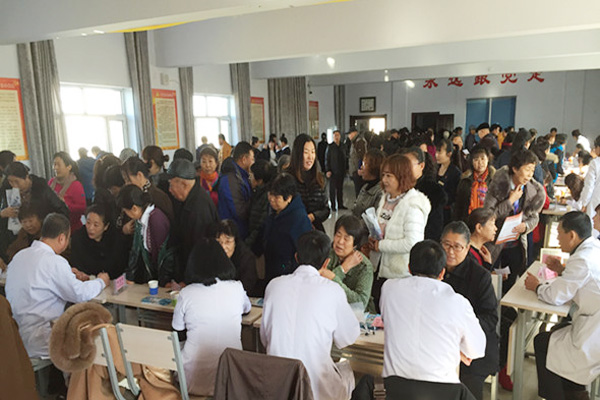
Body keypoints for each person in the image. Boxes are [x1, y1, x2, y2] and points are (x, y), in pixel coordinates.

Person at [261, 230, 360, 400]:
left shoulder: (274, 285)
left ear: (296, 257)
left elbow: (265, 339)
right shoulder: (332, 290)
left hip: (277, 388)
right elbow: (347, 338)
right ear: (326, 262)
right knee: (348, 374)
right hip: (316, 392)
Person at [380, 240, 486, 389]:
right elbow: (476, 350)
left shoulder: (389, 289)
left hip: (395, 390)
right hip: (442, 391)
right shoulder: (458, 302)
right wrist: (453, 348)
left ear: (409, 268)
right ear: (442, 272)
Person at [5, 213, 109, 357]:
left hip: (16, 339)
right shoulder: (54, 261)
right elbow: (79, 294)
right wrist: (101, 281)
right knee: (93, 343)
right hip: (42, 342)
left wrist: (69, 275)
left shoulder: (19, 256)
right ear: (61, 238)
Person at [524, 212, 600, 400]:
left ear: (572, 235)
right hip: (591, 322)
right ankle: (570, 391)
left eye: (559, 234)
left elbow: (555, 296)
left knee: (542, 342)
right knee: (556, 333)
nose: (557, 239)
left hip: (594, 332)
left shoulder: (581, 259)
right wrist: (562, 269)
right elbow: (583, 280)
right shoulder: (593, 247)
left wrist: (537, 286)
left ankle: (559, 395)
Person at [172, 238, 251, 397]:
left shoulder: (186, 293)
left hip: (191, 381)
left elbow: (177, 331)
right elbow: (247, 308)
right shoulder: (237, 287)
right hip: (230, 379)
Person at [441, 222, 499, 400]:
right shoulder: (434, 268)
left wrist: (460, 330)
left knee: (467, 387)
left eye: (457, 247)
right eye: (446, 245)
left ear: (467, 248)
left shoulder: (480, 276)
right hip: (442, 341)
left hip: (473, 346)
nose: (451, 251)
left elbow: (490, 318)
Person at [369, 154, 431, 308]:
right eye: (383, 175)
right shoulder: (385, 198)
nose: (384, 180)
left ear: (402, 177)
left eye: (389, 176)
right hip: (379, 268)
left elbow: (412, 243)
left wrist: (381, 246)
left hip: (398, 274)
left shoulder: (412, 205)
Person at [484, 150, 546, 292]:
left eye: (532, 170)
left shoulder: (533, 190)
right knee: (491, 281)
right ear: (515, 169)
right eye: (527, 169)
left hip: (516, 243)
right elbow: (488, 215)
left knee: (511, 282)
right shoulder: (498, 185)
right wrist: (510, 201)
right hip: (495, 242)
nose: (530, 175)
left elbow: (534, 217)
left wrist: (526, 226)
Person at [1, 162, 69, 266]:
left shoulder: (41, 188)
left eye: (17, 182)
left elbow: (62, 210)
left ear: (26, 177)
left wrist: (46, 223)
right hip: (17, 235)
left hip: (41, 233)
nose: (14, 185)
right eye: (10, 181)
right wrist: (3, 213)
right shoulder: (7, 188)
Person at [168, 159, 218, 282]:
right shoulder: (189, 200)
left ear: (184, 184)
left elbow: (200, 250)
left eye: (171, 185)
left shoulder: (199, 208)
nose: (169, 190)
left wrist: (190, 280)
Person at [117, 184, 173, 286]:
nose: (126, 215)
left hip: (164, 280)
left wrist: (163, 282)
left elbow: (164, 256)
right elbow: (135, 251)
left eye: (125, 211)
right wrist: (130, 277)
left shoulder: (156, 219)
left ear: (134, 208)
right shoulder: (139, 220)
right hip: (153, 278)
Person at [262, 173, 312, 284]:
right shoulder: (274, 210)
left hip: (287, 275)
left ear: (289, 198)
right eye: (270, 194)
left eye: (277, 197)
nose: (271, 199)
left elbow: (304, 254)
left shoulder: (299, 219)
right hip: (272, 267)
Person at [320, 215, 374, 311]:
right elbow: (321, 288)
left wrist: (334, 277)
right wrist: (343, 268)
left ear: (355, 244)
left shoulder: (364, 266)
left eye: (346, 238)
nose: (340, 241)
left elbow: (360, 303)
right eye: (338, 235)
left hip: (356, 315)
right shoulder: (327, 255)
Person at [69, 204, 128, 279]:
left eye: (96, 225)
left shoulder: (116, 239)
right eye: (88, 223)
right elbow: (76, 265)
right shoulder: (78, 237)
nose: (90, 228)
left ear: (106, 226)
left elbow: (119, 268)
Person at [400, 147, 446, 241]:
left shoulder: (432, 191)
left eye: (409, 165)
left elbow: (434, 228)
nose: (405, 169)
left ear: (421, 166)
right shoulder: (400, 187)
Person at [287, 134, 330, 232]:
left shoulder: (320, 178)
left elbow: (326, 209)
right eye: (306, 152)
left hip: (314, 230)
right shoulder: (287, 178)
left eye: (313, 152)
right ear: (297, 154)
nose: (310, 157)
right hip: (292, 230)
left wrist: (313, 216)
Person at [207, 220, 258, 294]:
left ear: (235, 242)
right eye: (218, 242)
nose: (223, 247)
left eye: (228, 242)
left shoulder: (246, 258)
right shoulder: (209, 255)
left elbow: (247, 287)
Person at [216, 141, 254, 239]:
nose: (253, 162)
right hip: (233, 233)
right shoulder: (230, 179)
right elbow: (239, 211)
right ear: (244, 159)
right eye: (252, 159)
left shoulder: (241, 175)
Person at [121, 156, 174, 222]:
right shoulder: (133, 196)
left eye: (127, 180)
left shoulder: (159, 198)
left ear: (139, 175)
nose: (126, 184)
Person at [454, 146, 496, 222]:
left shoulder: (495, 180)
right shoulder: (465, 180)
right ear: (471, 162)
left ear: (488, 159)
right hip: (468, 221)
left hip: (488, 221)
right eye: (476, 159)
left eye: (482, 159)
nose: (480, 163)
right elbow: (459, 206)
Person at [49, 151, 87, 232]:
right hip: (54, 228)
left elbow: (82, 208)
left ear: (69, 167)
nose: (55, 168)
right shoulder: (51, 182)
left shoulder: (76, 185)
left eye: (58, 165)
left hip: (73, 229)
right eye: (54, 164)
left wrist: (65, 204)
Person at [245, 159, 276, 255]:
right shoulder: (258, 192)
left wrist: (247, 244)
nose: (249, 178)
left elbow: (260, 226)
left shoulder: (266, 197)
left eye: (251, 175)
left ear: (259, 180)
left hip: (259, 246)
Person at [436, 138, 463, 225]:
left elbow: (455, 197)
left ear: (449, 154)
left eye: (439, 152)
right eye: (436, 152)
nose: (436, 155)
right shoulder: (435, 168)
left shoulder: (455, 173)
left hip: (447, 215)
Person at [352, 148, 384, 218]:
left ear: (373, 167)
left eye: (364, 164)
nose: (361, 167)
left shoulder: (380, 193)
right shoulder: (365, 186)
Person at [576, 135, 600, 219]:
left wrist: (584, 203)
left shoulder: (595, 163)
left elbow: (589, 186)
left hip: (596, 202)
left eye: (595, 147)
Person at [325, 130, 347, 211]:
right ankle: (333, 206)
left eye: (337, 135)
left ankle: (340, 204)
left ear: (340, 136)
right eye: (335, 136)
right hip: (333, 171)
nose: (336, 137)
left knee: (340, 189)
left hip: (341, 171)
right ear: (333, 137)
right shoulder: (330, 147)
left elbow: (346, 157)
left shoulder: (343, 146)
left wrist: (346, 169)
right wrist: (328, 170)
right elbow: (326, 159)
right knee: (332, 190)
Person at [348, 128, 368, 196]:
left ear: (355, 133)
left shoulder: (359, 142)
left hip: (358, 172)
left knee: (359, 191)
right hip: (355, 171)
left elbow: (362, 157)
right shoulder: (354, 142)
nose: (349, 136)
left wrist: (360, 169)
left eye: (350, 134)